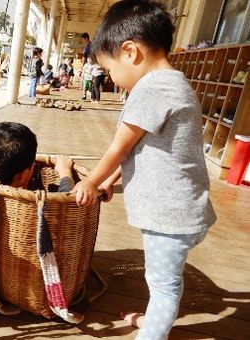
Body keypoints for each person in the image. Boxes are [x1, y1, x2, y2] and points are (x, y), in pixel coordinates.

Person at [73, 1, 217, 339]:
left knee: (164, 287)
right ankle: (153, 319)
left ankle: (153, 332)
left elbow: (120, 146)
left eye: (109, 71)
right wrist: (110, 180)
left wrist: (92, 181)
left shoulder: (151, 88)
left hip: (171, 217)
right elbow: (142, 148)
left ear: (130, 52)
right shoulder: (172, 84)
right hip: (181, 212)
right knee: (162, 281)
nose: (113, 79)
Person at [0, 122, 74, 191]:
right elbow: (66, 198)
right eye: (33, 164)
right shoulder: (25, 207)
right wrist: (65, 172)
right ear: (22, 176)